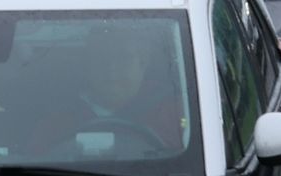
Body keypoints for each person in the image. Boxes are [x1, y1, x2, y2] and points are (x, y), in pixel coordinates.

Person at [29, 35, 186, 155]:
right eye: (101, 58)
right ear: (87, 66)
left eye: (124, 58)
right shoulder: (56, 123)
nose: (112, 69)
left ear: (143, 62)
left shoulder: (176, 114)